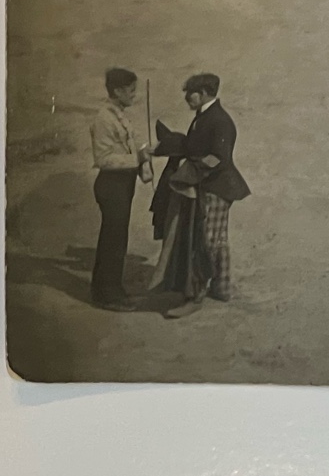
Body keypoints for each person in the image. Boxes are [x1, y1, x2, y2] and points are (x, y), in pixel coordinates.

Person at [164, 73, 251, 318]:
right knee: (218, 238)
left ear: (203, 93)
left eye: (189, 93)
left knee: (204, 241)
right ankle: (221, 288)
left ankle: (195, 296)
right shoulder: (204, 117)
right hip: (213, 185)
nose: (185, 98)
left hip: (216, 187)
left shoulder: (219, 121)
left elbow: (217, 158)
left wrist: (189, 173)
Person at [88, 68, 153, 311]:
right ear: (117, 91)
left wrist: (144, 151)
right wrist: (137, 158)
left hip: (122, 184)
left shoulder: (119, 115)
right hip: (111, 184)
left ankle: (112, 289)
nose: (134, 95)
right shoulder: (104, 118)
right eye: (131, 90)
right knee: (112, 241)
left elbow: (133, 141)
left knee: (117, 239)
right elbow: (104, 159)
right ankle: (106, 295)